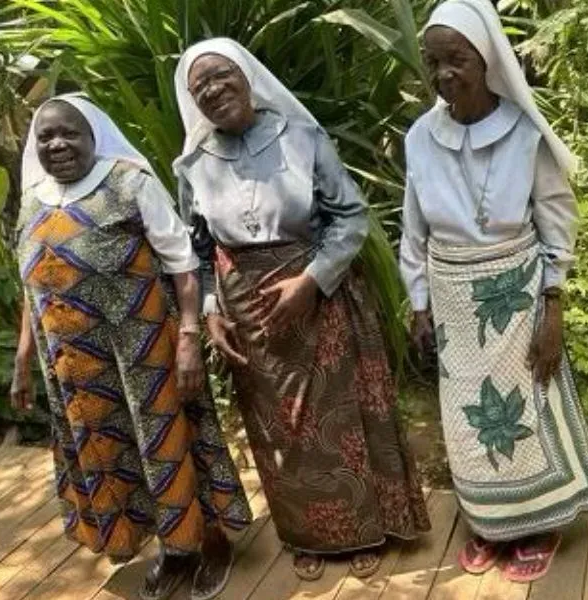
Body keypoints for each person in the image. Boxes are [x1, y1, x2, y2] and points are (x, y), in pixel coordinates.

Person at [173, 38, 431, 581]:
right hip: (248, 314)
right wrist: (214, 309)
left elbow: (352, 218)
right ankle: (304, 534)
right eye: (201, 86)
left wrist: (311, 282)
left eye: (223, 76)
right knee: (279, 433)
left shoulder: (301, 137)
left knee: (340, 421)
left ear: (246, 76)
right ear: (192, 100)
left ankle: (365, 529)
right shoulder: (193, 165)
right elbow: (197, 250)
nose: (214, 90)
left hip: (319, 296)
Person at [11, 93, 251, 600]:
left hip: (145, 354)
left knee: (171, 442)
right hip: (76, 368)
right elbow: (30, 285)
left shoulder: (128, 183)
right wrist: (23, 358)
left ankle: (209, 543)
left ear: (94, 135)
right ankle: (173, 547)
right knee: (118, 451)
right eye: (46, 136)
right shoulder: (33, 199)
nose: (57, 143)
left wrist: (188, 339)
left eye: (69, 133)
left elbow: (183, 264)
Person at [399, 0, 588, 584]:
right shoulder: (421, 137)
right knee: (468, 419)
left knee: (527, 409)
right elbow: (413, 229)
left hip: (516, 296)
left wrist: (554, 308)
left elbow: (557, 220)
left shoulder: (523, 133)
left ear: (486, 58)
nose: (444, 74)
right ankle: (490, 523)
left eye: (457, 59)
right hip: (453, 305)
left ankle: (538, 523)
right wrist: (418, 301)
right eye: (433, 61)